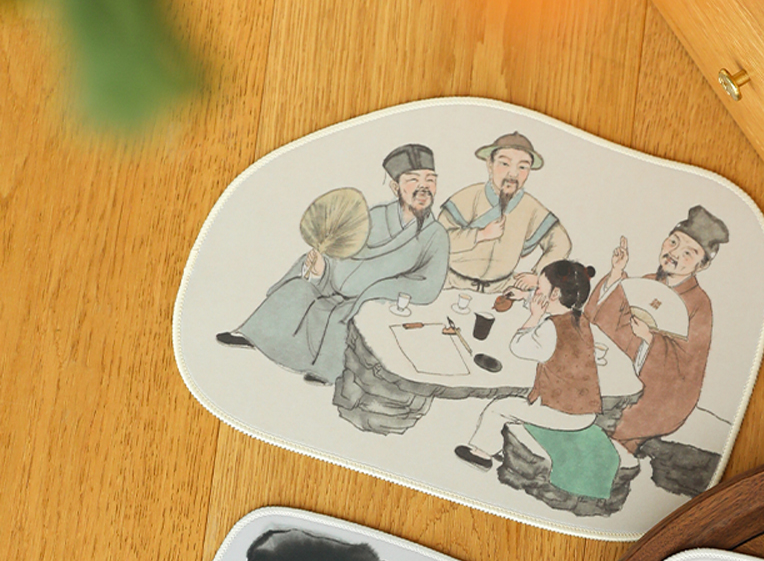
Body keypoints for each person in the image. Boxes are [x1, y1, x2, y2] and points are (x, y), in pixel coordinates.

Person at [219, 144, 449, 384]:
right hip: (336, 284)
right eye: (413, 180)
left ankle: (326, 371)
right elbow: (342, 248)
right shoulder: (375, 215)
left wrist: (376, 291)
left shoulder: (435, 235)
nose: (423, 187)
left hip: (374, 300)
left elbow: (429, 285)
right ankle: (254, 335)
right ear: (396, 187)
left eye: (430, 180)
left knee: (344, 318)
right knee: (298, 289)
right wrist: (323, 269)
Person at [454, 259, 621, 499]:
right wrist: (525, 297)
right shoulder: (579, 320)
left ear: (554, 294)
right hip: (585, 409)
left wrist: (533, 317)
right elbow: (550, 309)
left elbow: (519, 346)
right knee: (516, 402)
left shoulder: (549, 329)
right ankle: (499, 446)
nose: (536, 293)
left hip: (564, 412)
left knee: (499, 408)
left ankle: (482, 454)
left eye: (540, 289)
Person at [584, 205, 728, 471]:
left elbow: (687, 367)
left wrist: (651, 341)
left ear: (702, 264)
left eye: (688, 253)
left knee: (606, 435)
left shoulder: (699, 305)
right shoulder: (648, 281)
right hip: (614, 375)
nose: (674, 253)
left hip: (655, 393)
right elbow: (599, 322)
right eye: (673, 242)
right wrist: (616, 274)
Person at [438, 131, 571, 296]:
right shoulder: (468, 197)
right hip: (452, 282)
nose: (513, 174)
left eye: (522, 167)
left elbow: (561, 243)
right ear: (490, 164)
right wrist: (480, 235)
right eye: (505, 164)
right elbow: (438, 239)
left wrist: (538, 275)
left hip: (502, 289)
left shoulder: (532, 208)